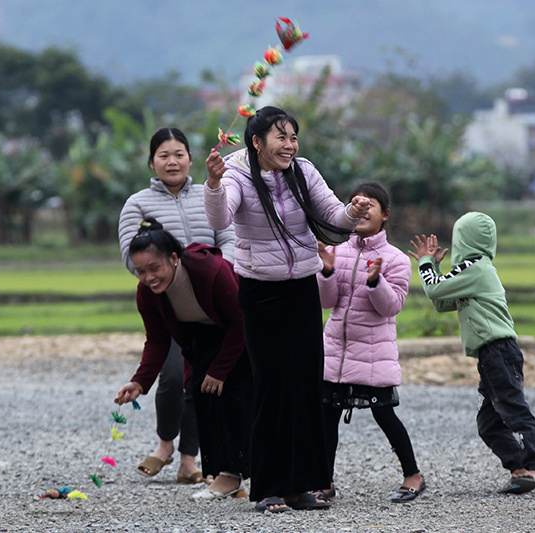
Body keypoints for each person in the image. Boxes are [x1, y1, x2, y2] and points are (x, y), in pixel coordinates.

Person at [204, 106, 371, 513]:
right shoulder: (237, 173)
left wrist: (353, 211)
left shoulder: (304, 171)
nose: (290, 145)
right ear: (257, 141)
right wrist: (212, 183)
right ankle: (269, 488)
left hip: (302, 290)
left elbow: (333, 215)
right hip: (260, 293)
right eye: (281, 137)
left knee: (305, 385)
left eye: (293, 137)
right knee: (273, 387)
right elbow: (220, 217)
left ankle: (304, 485)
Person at [118, 127, 235, 483]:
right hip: (168, 302)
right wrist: (160, 276)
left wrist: (218, 274)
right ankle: (166, 444)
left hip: (211, 298)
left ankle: (189, 460)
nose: (172, 161)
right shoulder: (137, 204)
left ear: (190, 158)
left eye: (179, 154)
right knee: (171, 377)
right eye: (164, 155)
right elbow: (131, 254)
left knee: (201, 381)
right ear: (151, 161)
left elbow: (229, 236)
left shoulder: (210, 194)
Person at [409, 212, 535, 494]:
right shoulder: (471, 271)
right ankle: (520, 471)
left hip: (498, 350)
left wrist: (426, 264)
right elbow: (442, 302)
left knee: (513, 409)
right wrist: (436, 270)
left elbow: (433, 290)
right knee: (488, 423)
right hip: (492, 354)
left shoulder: (476, 267)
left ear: (464, 240)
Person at [113, 219, 252, 500]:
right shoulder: (147, 294)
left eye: (155, 268)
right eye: (141, 271)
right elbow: (158, 339)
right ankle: (225, 476)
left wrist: (221, 369)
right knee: (203, 398)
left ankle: (260, 474)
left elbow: (242, 320)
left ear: (174, 258)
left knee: (240, 400)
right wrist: (140, 382)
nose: (149, 277)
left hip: (240, 330)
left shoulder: (209, 271)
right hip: (200, 337)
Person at [316, 182, 426, 503]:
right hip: (336, 351)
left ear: (385, 215)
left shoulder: (395, 259)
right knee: (326, 419)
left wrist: (375, 281)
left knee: (385, 417)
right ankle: (324, 482)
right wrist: (325, 272)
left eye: (371, 206)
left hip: (373, 354)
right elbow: (328, 302)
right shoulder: (337, 249)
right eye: (357, 205)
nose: (363, 211)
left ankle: (413, 475)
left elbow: (390, 307)